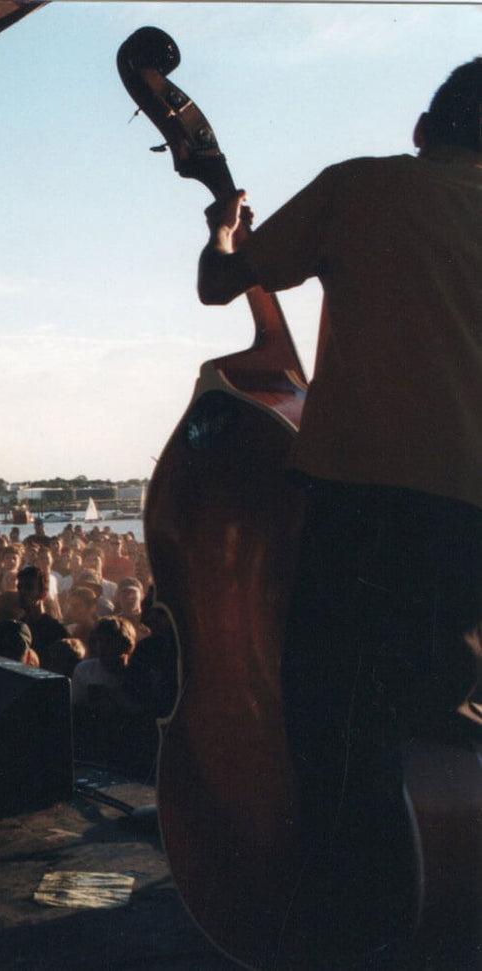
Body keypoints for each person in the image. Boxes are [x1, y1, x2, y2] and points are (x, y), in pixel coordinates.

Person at [196, 59, 482, 962]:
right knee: (438, 711)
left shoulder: (365, 186)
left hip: (372, 498)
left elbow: (221, 282)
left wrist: (224, 228)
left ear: (422, 132)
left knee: (333, 724)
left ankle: (349, 924)